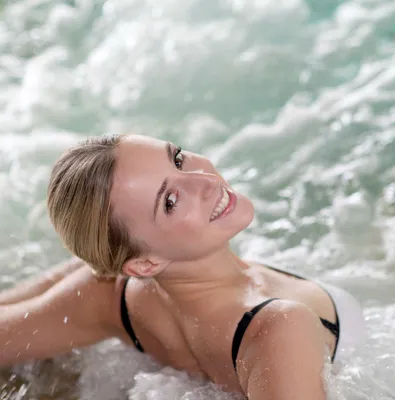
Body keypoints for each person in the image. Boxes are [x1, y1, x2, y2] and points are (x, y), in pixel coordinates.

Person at [0, 134, 366, 399]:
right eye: (171, 201)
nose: (204, 180)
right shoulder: (277, 329)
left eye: (177, 159)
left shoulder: (110, 292)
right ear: (146, 263)